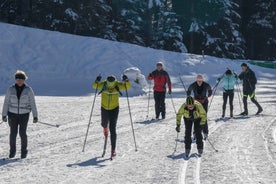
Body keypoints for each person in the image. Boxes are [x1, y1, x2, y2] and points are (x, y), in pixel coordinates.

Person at [2, 70, 38, 159]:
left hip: (24, 115)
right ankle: (12, 152)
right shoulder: (11, 89)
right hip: (12, 114)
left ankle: (24, 152)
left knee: (22, 133)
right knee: (13, 134)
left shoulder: (28, 90)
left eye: (21, 79)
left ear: (24, 79)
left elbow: (33, 103)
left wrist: (35, 116)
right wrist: (4, 115)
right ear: (15, 79)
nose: (19, 81)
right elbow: (6, 102)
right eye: (17, 79)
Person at [93, 75, 130, 157]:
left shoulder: (118, 84)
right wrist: (97, 80)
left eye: (112, 85)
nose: (110, 87)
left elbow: (127, 86)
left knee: (113, 129)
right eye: (109, 85)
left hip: (114, 109)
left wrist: (126, 80)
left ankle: (113, 149)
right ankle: (105, 128)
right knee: (104, 124)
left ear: (114, 83)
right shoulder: (103, 84)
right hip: (104, 108)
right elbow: (94, 86)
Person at [187, 75, 212, 139]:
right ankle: (195, 133)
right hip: (196, 103)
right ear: (196, 80)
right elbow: (189, 89)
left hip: (204, 102)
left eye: (200, 81)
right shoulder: (194, 85)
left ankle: (205, 132)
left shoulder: (205, 84)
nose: (199, 82)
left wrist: (210, 93)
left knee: (203, 116)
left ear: (202, 80)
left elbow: (210, 88)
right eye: (198, 81)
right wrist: (188, 93)